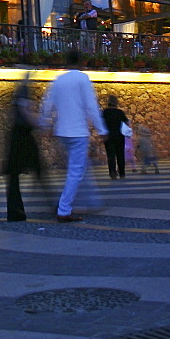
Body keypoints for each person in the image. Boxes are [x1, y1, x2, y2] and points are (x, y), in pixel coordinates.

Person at [40, 50, 108, 222]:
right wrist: (102, 130)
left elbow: (47, 103)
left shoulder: (59, 80)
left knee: (79, 169)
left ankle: (91, 201)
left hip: (62, 132)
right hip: (78, 132)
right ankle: (64, 209)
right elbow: (91, 106)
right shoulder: (82, 79)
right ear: (80, 62)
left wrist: (45, 123)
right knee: (75, 172)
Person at [4, 73, 50, 222]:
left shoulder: (20, 90)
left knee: (15, 175)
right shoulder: (23, 90)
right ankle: (51, 203)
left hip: (19, 135)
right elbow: (25, 111)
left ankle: (15, 211)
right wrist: (40, 124)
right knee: (38, 170)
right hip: (23, 136)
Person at [102, 94, 130, 180]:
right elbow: (127, 122)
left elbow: (101, 123)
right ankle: (122, 173)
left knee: (111, 155)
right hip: (119, 135)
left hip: (108, 136)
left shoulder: (105, 112)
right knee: (120, 155)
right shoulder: (120, 112)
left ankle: (112, 173)